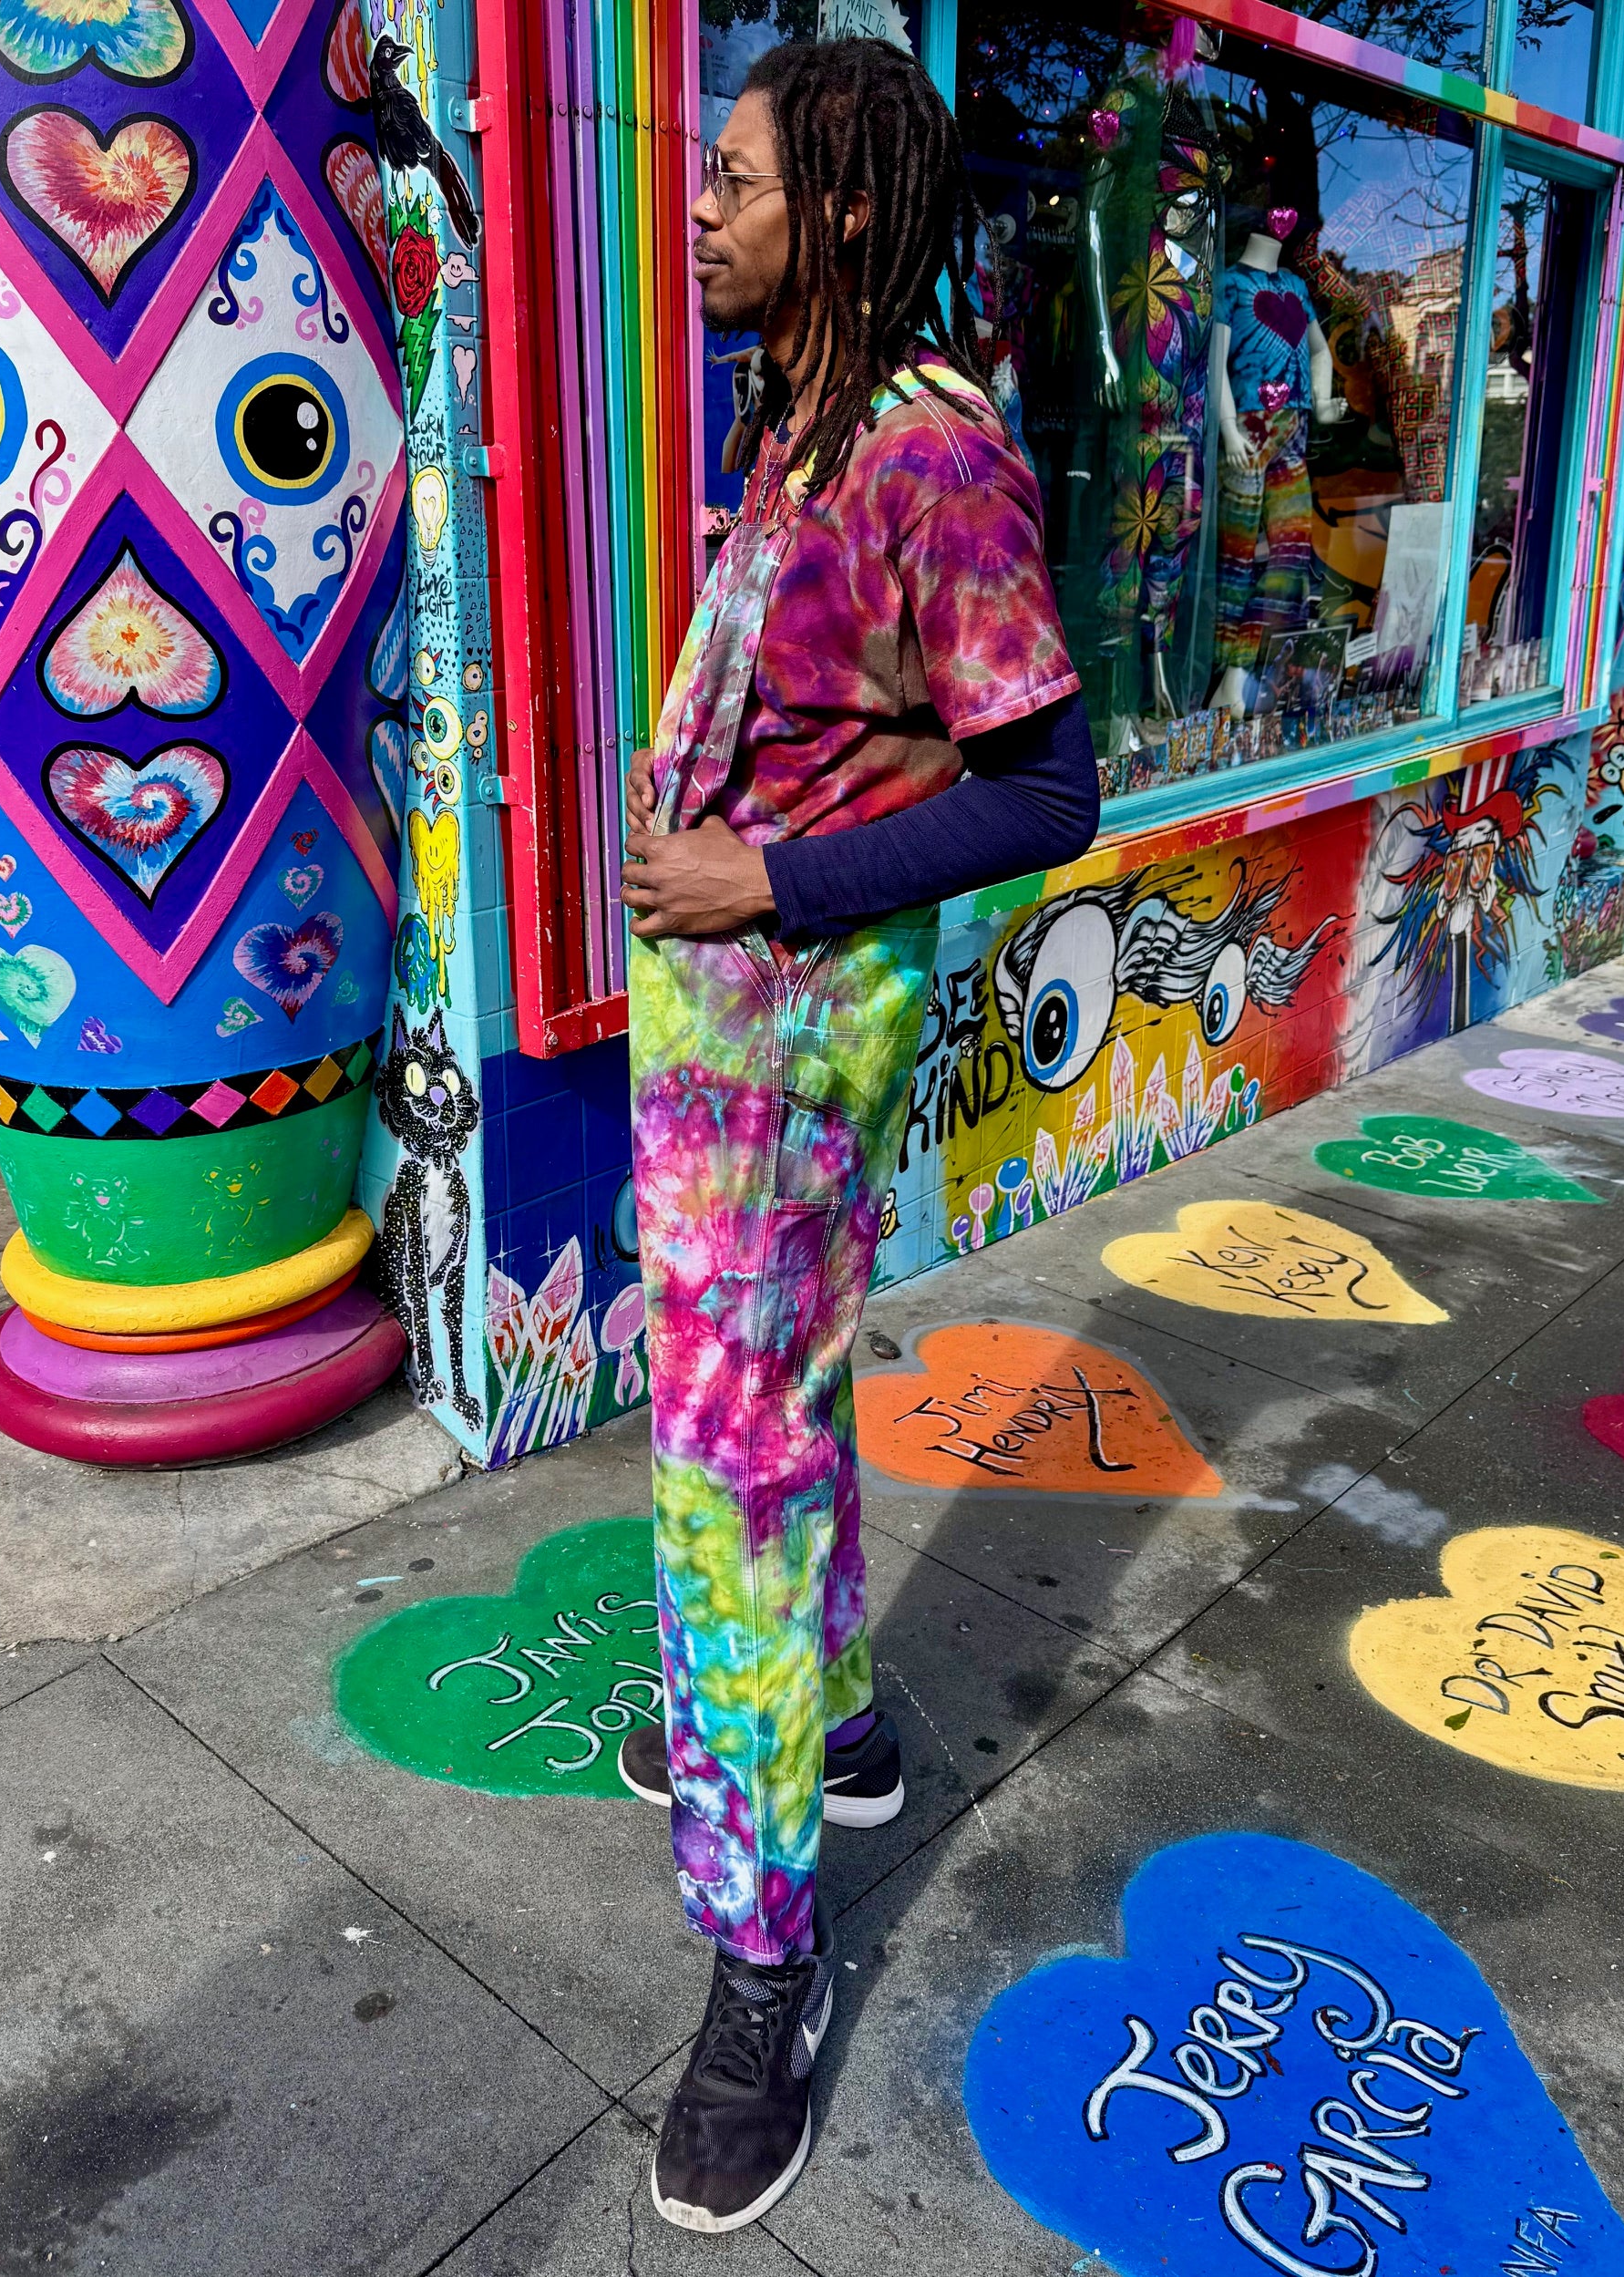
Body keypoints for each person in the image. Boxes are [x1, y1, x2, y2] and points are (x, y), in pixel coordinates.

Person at [615, 36, 1099, 2234]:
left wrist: (764, 879)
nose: (698, 209)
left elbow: (1047, 788)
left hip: (790, 1046)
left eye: (732, 181)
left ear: (841, 210)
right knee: (772, 1417)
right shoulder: (790, 422)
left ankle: (763, 1957)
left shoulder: (933, 457)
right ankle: (832, 1717)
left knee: (722, 1480)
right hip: (714, 1046)